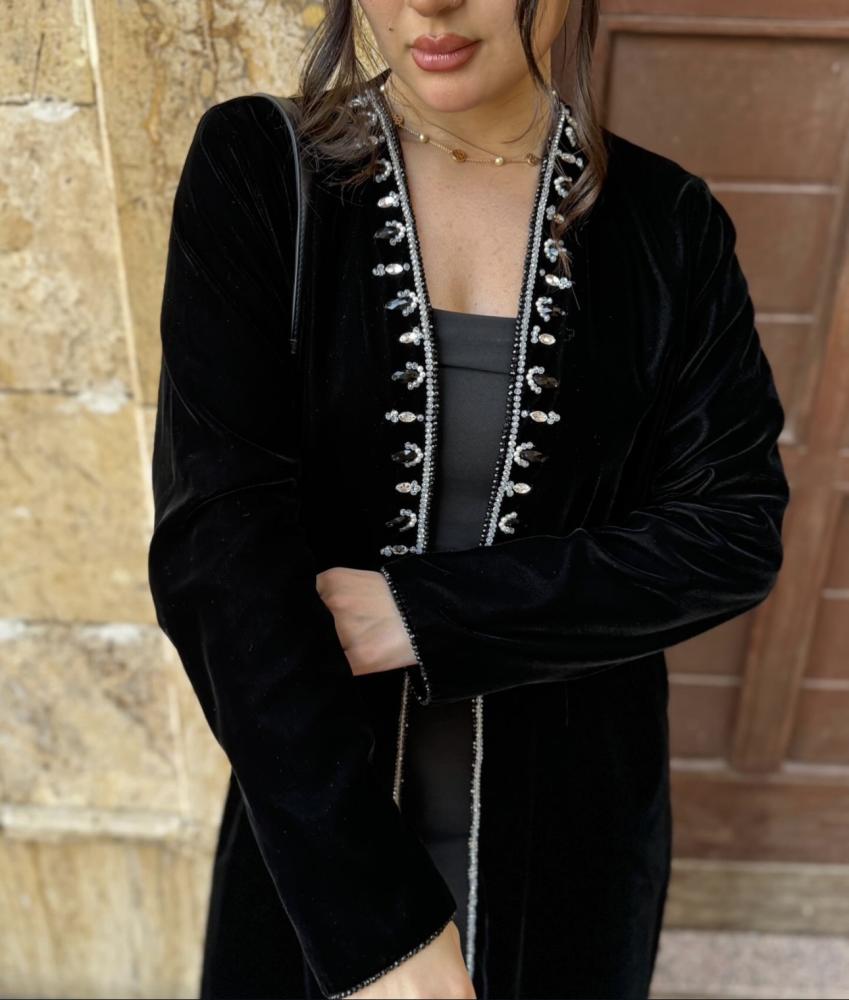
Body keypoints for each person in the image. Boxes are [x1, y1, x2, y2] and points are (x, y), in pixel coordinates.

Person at [146, 0, 791, 998]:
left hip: (578, 836)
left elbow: (732, 532)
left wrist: (426, 612)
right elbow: (216, 550)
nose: (431, 3)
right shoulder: (262, 168)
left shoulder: (669, 222)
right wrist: (377, 933)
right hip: (318, 826)